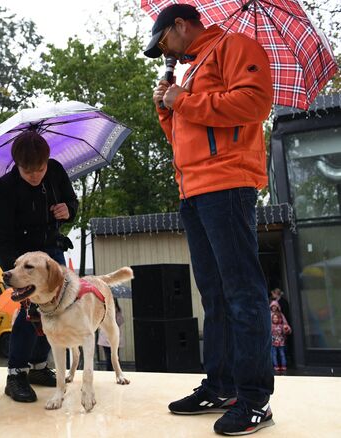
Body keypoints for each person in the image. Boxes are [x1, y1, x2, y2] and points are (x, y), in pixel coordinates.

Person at [145, 4, 274, 435]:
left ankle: (255, 400)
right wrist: (169, 108)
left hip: (228, 186)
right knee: (215, 295)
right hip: (194, 191)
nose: (165, 51)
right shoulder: (193, 67)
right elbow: (190, 134)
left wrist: (184, 99)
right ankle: (220, 386)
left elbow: (254, 104)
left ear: (181, 25)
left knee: (243, 293)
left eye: (163, 41)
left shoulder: (234, 46)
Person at [0, 130, 79, 403]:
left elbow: (72, 202)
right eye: (29, 172)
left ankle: (40, 366)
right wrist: (14, 275)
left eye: (40, 169)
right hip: (21, 259)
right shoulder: (3, 188)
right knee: (29, 315)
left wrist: (68, 210)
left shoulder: (56, 171)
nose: (36, 175)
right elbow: (1, 237)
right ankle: (16, 374)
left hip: (52, 254)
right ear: (17, 165)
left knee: (55, 311)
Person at [97, 297, 124, 371]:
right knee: (108, 358)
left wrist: (114, 314)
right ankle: (109, 372)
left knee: (116, 357)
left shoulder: (118, 311)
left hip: (114, 338)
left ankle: (117, 372)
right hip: (105, 338)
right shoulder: (103, 310)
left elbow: (120, 322)